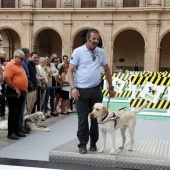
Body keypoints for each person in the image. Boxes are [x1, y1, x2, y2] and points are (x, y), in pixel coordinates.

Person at [67, 28, 116, 154]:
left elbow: (107, 69)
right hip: (81, 90)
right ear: (88, 38)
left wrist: (110, 87)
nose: (96, 41)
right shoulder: (78, 51)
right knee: (83, 119)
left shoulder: (101, 52)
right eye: (94, 38)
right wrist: (73, 88)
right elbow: (70, 71)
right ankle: (82, 144)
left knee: (96, 118)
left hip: (96, 89)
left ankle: (93, 143)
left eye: (97, 39)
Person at [4, 50, 28, 139]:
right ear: (16, 57)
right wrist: (16, 88)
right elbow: (7, 78)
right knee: (13, 112)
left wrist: (24, 89)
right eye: (21, 59)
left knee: (19, 112)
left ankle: (17, 130)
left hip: (21, 92)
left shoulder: (20, 66)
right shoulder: (10, 65)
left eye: (24, 59)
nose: (23, 61)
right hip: (13, 92)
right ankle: (11, 132)